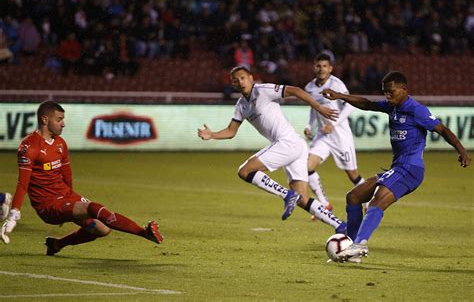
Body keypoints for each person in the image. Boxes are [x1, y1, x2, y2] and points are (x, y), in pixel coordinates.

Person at [322, 71, 471, 262]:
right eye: (385, 92)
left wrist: (461, 150)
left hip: (410, 169)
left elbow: (442, 129)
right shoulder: (391, 107)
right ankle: (350, 249)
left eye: (391, 92)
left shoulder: (416, 110)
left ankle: (359, 245)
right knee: (353, 197)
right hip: (397, 167)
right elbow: (368, 104)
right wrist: (341, 96)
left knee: (376, 203)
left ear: (403, 89)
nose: (387, 96)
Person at [197, 66, 347, 233]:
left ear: (251, 78)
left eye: (242, 78)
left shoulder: (264, 90)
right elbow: (231, 131)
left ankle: (287, 194)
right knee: (303, 200)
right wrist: (212, 135)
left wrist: (319, 108)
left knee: (244, 171)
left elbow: (296, 90)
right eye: (235, 80)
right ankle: (341, 225)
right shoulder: (241, 106)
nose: (240, 82)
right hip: (294, 146)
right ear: (233, 85)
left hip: (288, 143)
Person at [0, 101, 163, 255]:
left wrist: (70, 201)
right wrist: (14, 214)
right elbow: (23, 183)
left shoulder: (60, 143)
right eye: (59, 119)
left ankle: (56, 244)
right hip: (48, 205)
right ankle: (144, 233)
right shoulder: (29, 147)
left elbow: (67, 174)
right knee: (93, 207)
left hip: (65, 197)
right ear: (45, 119)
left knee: (102, 230)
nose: (63, 123)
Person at [303, 53, 365, 214]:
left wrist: (334, 124)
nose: (321, 69)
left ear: (330, 68)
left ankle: (369, 199)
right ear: (313, 67)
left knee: (353, 175)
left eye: (324, 66)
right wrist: (309, 125)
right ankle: (324, 204)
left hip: (340, 136)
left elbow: (350, 105)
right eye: (318, 66)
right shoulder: (309, 88)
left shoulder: (336, 84)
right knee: (306, 167)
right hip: (323, 136)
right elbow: (313, 108)